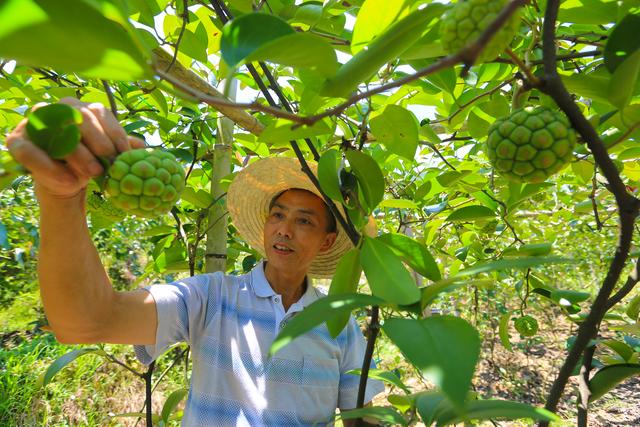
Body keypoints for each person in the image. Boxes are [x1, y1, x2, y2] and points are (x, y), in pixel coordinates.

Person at [5, 99, 385, 426]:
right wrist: (60, 198)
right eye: (278, 214)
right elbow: (87, 322)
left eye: (304, 221)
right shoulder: (209, 297)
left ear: (327, 241)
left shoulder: (340, 325)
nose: (284, 230)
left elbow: (362, 417)